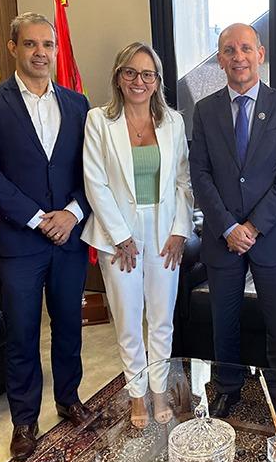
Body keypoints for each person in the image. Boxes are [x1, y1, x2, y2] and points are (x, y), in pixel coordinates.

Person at [0, 12, 93, 461]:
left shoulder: (78, 104)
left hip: (70, 238)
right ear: (12, 48)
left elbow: (90, 171)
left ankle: (69, 398)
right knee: (21, 333)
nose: (41, 53)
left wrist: (73, 214)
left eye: (48, 45)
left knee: (68, 327)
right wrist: (40, 218)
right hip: (21, 242)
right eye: (31, 44)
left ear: (57, 51)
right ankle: (24, 418)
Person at [189, 23, 276, 423]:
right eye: (229, 50)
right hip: (222, 238)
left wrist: (252, 227)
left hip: (269, 235)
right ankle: (227, 387)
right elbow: (199, 174)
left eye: (245, 49)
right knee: (225, 319)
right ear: (220, 59)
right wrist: (227, 227)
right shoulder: (204, 111)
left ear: (261, 53)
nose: (238, 57)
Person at [81, 42, 194, 429]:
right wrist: (120, 236)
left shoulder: (173, 122)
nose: (139, 81)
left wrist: (181, 231)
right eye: (130, 72)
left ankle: (160, 390)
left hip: (164, 232)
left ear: (157, 81)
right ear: (118, 76)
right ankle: (136, 395)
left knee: (162, 319)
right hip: (119, 235)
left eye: (148, 74)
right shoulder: (99, 121)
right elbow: (94, 182)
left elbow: (184, 182)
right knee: (129, 320)